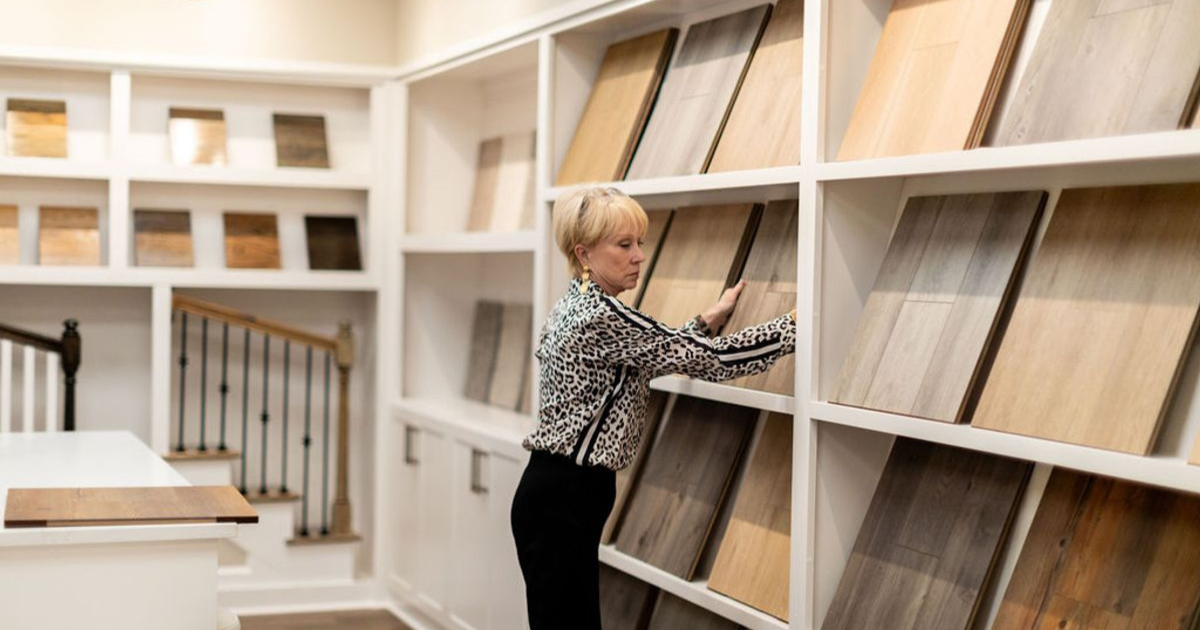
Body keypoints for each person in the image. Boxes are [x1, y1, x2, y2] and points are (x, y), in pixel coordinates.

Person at [510, 186, 796, 630]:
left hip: (555, 491)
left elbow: (643, 359)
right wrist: (792, 327)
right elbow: (711, 362)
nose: (639, 255)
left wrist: (703, 322)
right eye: (624, 245)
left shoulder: (577, 305)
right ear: (584, 254)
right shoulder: (601, 315)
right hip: (567, 495)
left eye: (639, 242)